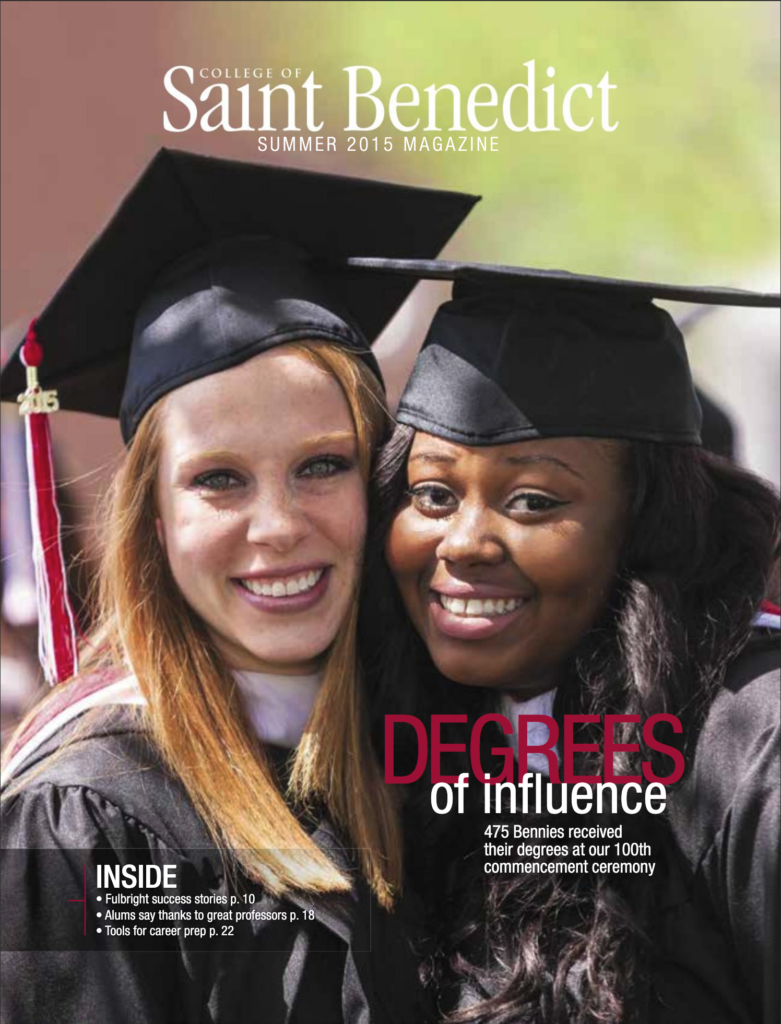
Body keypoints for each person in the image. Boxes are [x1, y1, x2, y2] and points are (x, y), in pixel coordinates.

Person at [0, 149, 477, 1023]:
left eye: (322, 466)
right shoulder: (90, 817)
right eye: (219, 480)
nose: (278, 526)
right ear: (153, 522)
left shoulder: (431, 750)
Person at [356, 261, 781, 1024]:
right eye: (432, 494)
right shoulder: (404, 740)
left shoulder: (754, 748)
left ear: (643, 526)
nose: (464, 542)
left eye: (532, 501)